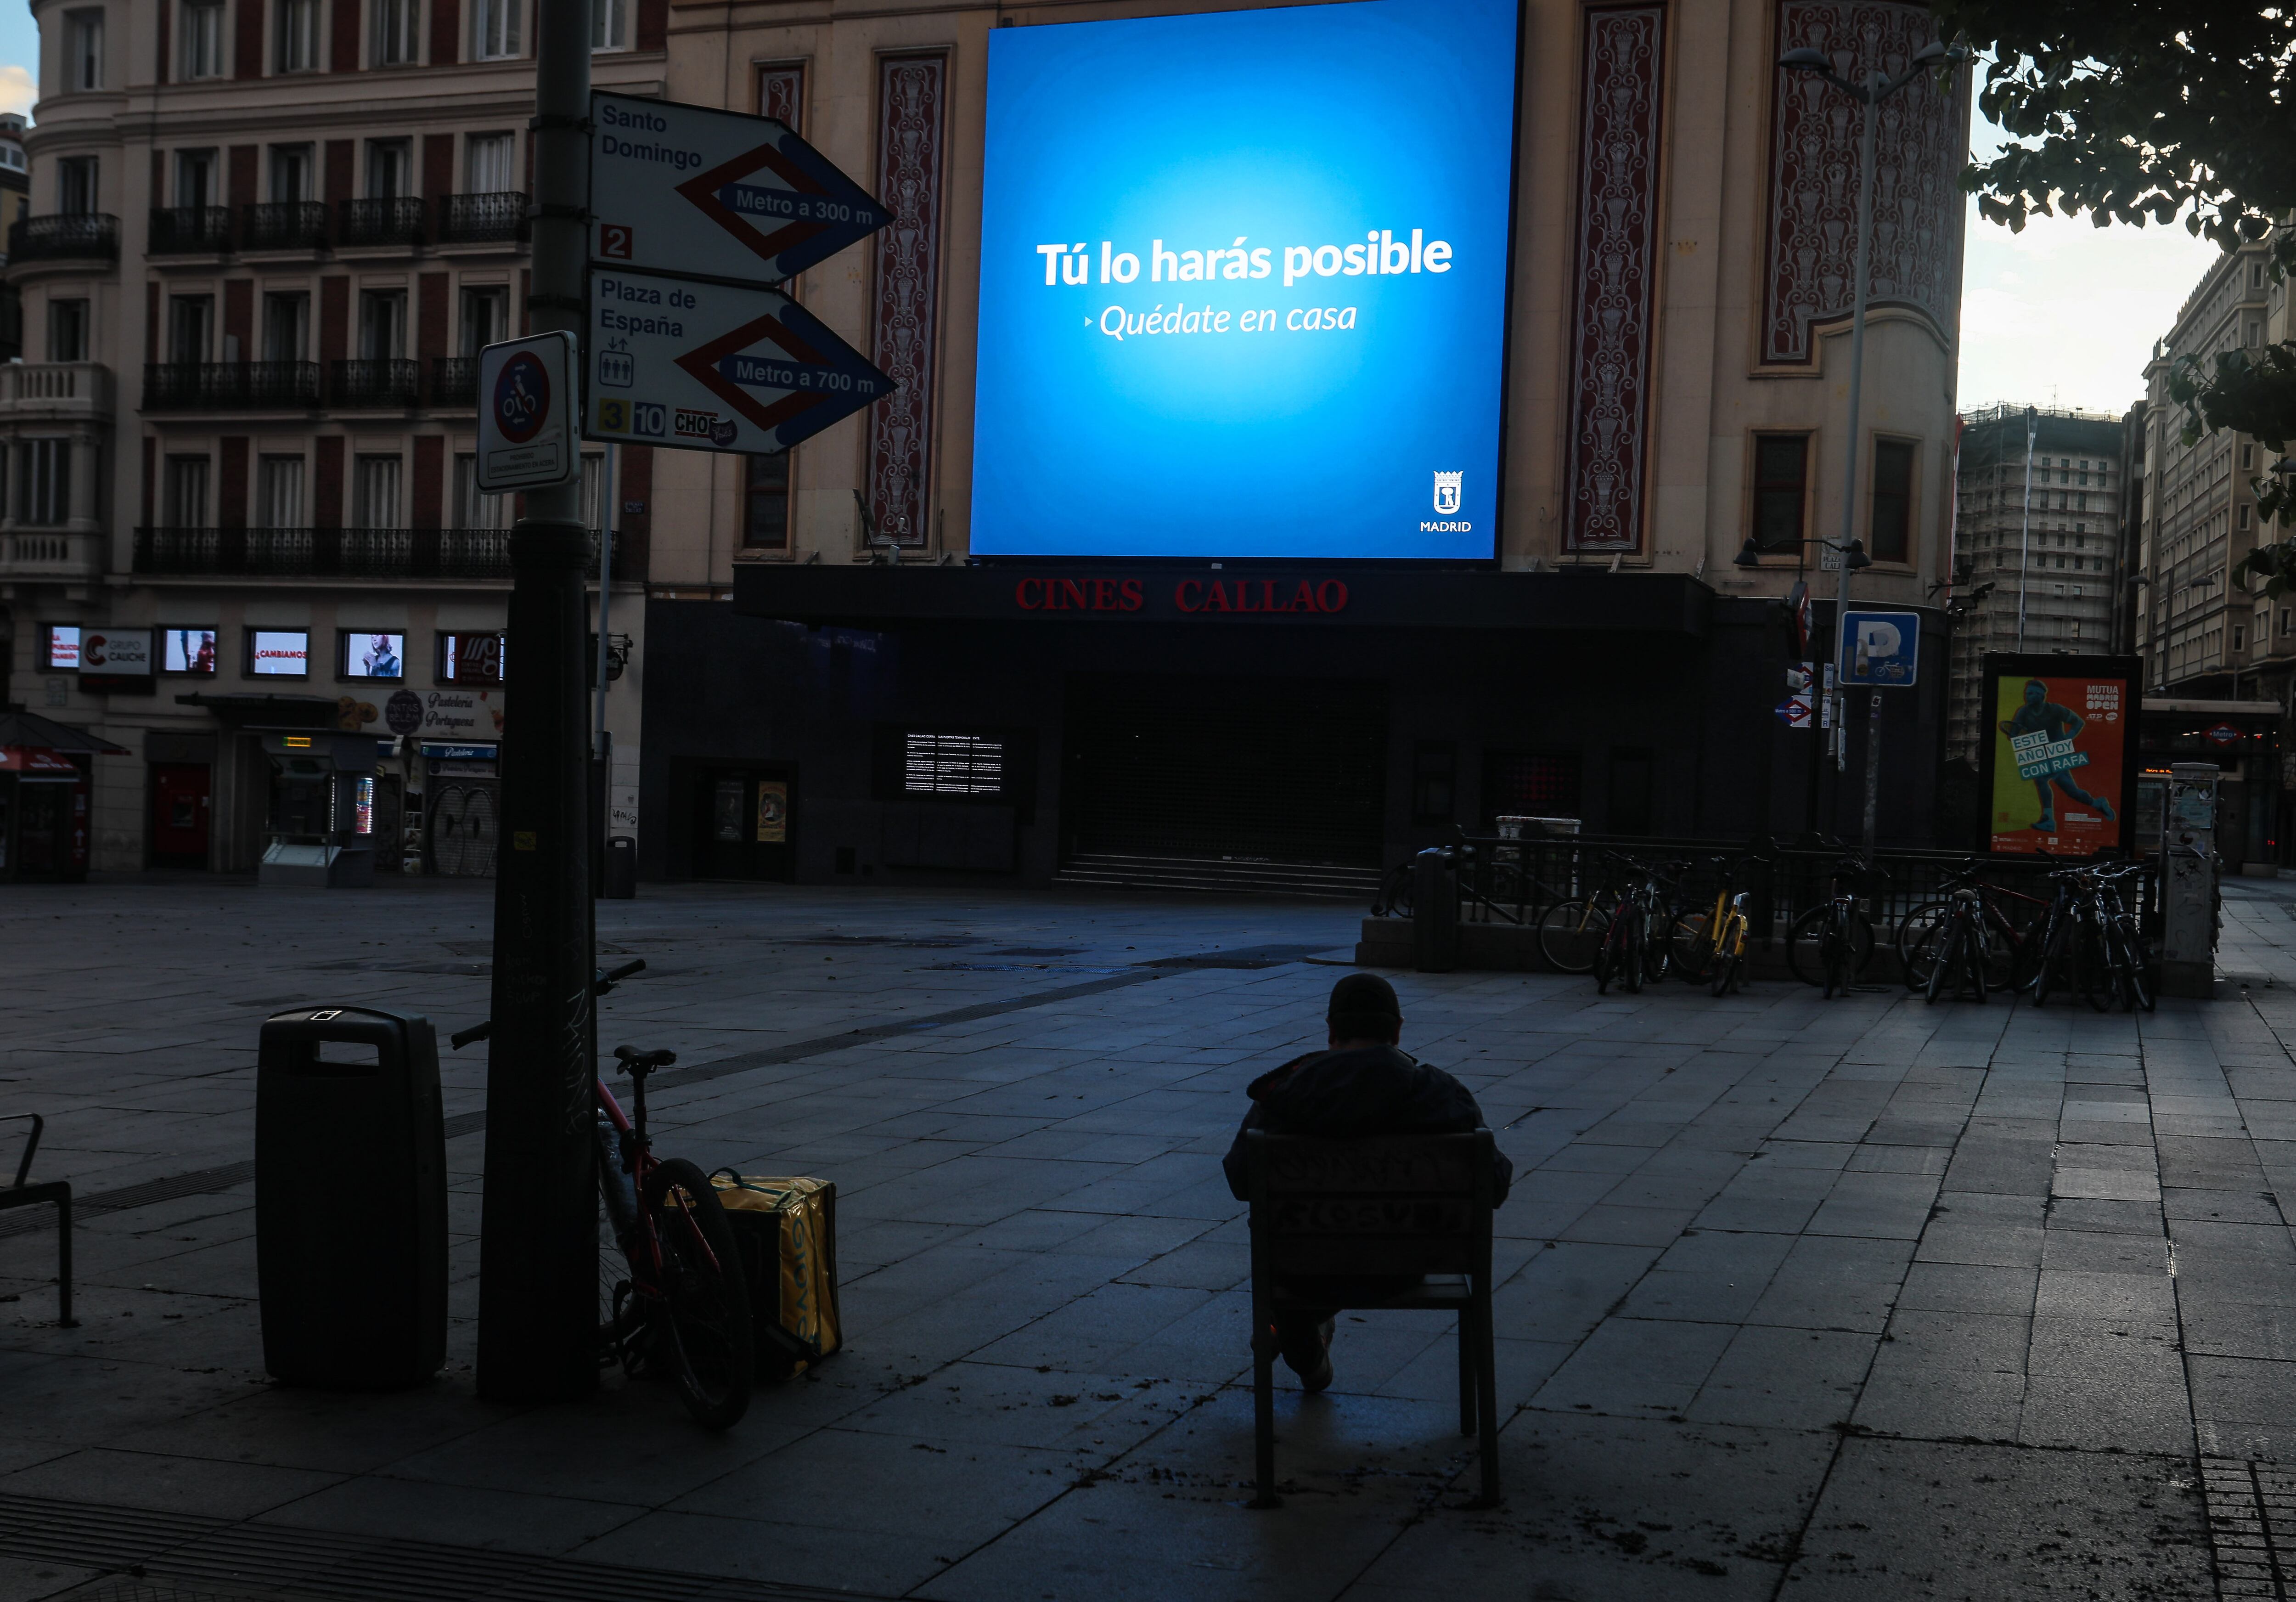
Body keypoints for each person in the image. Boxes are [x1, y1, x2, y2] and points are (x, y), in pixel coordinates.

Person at [1222, 973, 1511, 1393]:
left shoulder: (1284, 1096)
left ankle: (1294, 1333)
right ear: (1397, 1030)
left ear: (1331, 1032)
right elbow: (1495, 1185)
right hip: (1404, 1266)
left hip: (1305, 1268)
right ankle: (1298, 1335)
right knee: (1358, 1257)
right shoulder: (1441, 1093)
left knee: (1302, 1269)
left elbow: (1240, 1180)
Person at [1998, 677, 2116, 832]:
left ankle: (2048, 820)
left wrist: (2068, 738)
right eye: (2027, 693)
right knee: (2072, 792)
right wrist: (2016, 736)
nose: (2028, 696)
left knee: (2040, 778)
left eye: (2033, 693)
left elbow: (2078, 722)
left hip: (2059, 755)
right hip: (2041, 756)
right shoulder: (2023, 712)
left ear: (2042, 696)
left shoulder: (2055, 709)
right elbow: (2012, 734)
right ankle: (2097, 804)